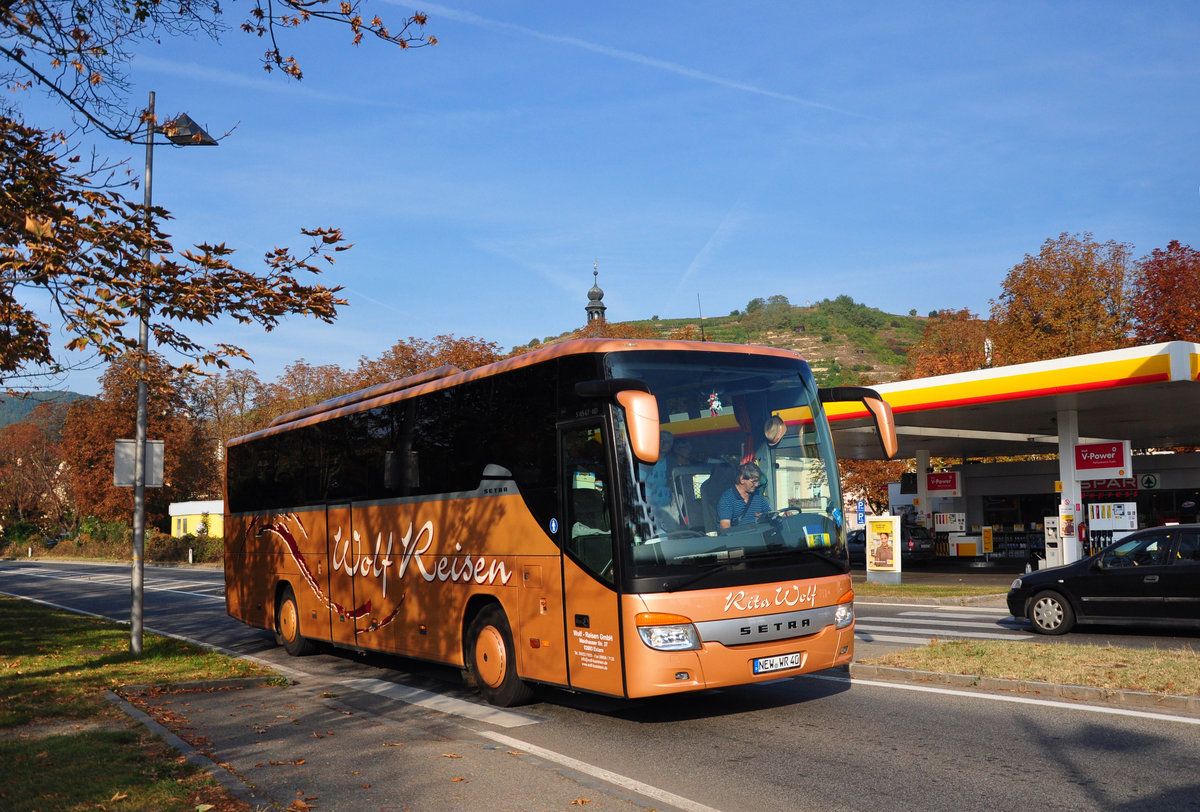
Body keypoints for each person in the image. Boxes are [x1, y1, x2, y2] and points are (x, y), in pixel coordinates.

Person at [717, 462, 770, 529]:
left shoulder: (757, 494)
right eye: (754, 481)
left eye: (757, 481)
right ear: (742, 479)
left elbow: (769, 514)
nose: (757, 485)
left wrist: (783, 515)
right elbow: (725, 527)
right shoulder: (727, 499)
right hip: (738, 537)